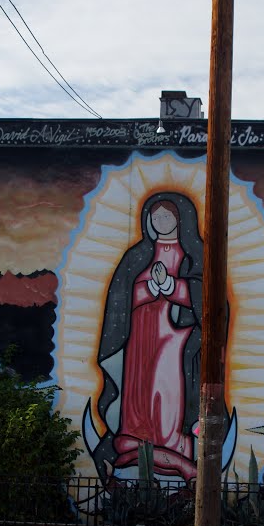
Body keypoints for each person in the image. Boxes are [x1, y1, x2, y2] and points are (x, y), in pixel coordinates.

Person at [96, 193, 206, 482]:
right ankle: (135, 440)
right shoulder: (137, 255)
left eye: (166, 216)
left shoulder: (194, 254)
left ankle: (172, 446)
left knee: (167, 388)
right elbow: (121, 297)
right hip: (140, 335)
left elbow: (205, 296)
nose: (160, 222)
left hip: (174, 337)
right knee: (139, 389)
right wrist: (150, 289)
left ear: (181, 219)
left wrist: (170, 285)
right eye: (155, 217)